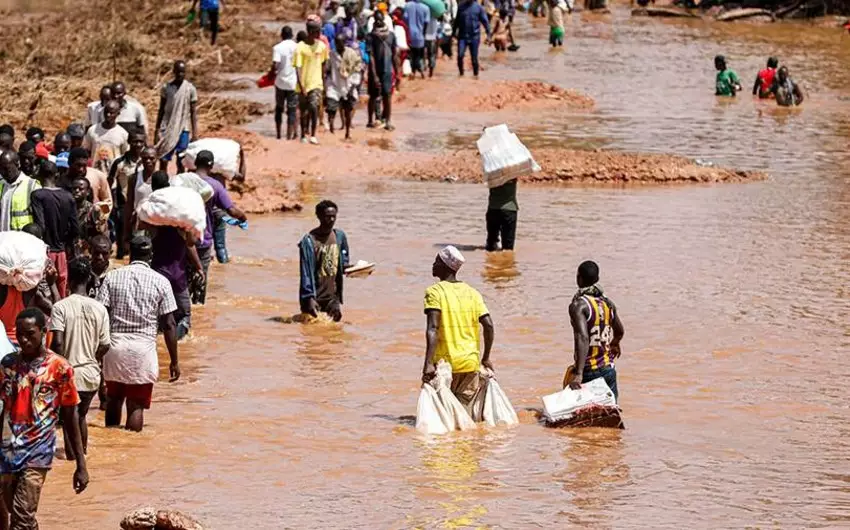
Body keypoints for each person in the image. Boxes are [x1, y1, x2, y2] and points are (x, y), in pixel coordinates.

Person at [0, 308, 88, 529]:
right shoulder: (8, 365)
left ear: (43, 332)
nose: (24, 339)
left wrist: (81, 463)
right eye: (20, 334)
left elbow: (70, 415)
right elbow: (4, 409)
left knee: (21, 519)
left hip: (38, 450)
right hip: (8, 449)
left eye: (30, 334)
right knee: (19, 513)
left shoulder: (59, 368)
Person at [96, 235, 180, 432]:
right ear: (151, 255)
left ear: (130, 253)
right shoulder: (161, 282)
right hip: (143, 350)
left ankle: (112, 445)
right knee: (135, 404)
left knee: (114, 399)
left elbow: (101, 315)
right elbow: (169, 324)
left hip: (114, 347)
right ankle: (129, 446)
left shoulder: (112, 277)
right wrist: (174, 361)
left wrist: (96, 352)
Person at [421, 245, 495, 416]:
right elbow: (489, 325)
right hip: (470, 363)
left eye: (436, 261)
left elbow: (433, 328)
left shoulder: (434, 292)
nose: (433, 264)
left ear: (445, 266)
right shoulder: (472, 293)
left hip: (445, 366)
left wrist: (428, 363)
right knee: (464, 417)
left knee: (443, 419)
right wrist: (486, 357)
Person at [50, 258, 110, 460]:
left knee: (69, 419)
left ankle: (74, 460)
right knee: (80, 416)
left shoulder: (60, 307)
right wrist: (92, 358)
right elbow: (105, 345)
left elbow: (57, 343)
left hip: (69, 375)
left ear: (70, 279)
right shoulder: (100, 308)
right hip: (92, 375)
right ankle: (81, 456)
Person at [146, 172, 204, 340]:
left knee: (156, 318)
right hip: (178, 275)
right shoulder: (180, 216)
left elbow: (141, 235)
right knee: (184, 315)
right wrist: (199, 267)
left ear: (152, 187)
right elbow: (191, 243)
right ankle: (175, 344)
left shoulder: (152, 215)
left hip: (156, 272)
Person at [191, 151, 246, 304]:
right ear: (212, 166)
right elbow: (231, 210)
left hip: (181, 237)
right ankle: (198, 306)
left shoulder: (183, 181)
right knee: (201, 275)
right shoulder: (215, 185)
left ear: (195, 163)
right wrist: (243, 218)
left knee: (183, 278)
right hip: (202, 238)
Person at [566, 260, 625, 400]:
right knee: (609, 415)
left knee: (583, 418)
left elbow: (583, 337)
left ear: (579, 278)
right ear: (597, 279)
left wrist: (579, 374)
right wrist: (615, 343)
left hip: (589, 371)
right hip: (608, 369)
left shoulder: (578, 305)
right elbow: (620, 331)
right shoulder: (607, 304)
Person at [31, 161, 78, 297]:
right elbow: (75, 229)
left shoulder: (37, 195)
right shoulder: (68, 196)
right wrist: (64, 241)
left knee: (44, 291)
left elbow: (41, 226)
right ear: (56, 175)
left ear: (39, 176)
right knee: (62, 289)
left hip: (45, 251)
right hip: (62, 252)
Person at [298, 200, 349, 322]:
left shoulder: (339, 236)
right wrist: (309, 297)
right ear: (319, 217)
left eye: (333, 216)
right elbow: (305, 273)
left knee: (334, 332)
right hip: (313, 297)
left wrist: (356, 269)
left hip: (332, 297)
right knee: (311, 334)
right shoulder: (309, 241)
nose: (331, 220)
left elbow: (343, 264)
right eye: (327, 217)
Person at [155, 60, 199, 173]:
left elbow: (193, 112)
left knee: (181, 159)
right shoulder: (166, 88)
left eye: (183, 72)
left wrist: (195, 134)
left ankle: (179, 185)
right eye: (178, 72)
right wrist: (157, 130)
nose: (180, 75)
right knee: (163, 158)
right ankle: (162, 183)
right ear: (174, 72)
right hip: (167, 128)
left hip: (183, 128)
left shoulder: (190, 89)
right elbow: (161, 109)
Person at [108, 131, 146, 259]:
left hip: (141, 203)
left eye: (141, 141)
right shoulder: (119, 162)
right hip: (123, 203)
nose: (138, 144)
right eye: (135, 141)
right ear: (129, 142)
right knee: (122, 232)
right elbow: (110, 182)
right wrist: (113, 203)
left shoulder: (147, 161)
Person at [295, 19, 329, 145]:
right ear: (310, 32)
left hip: (316, 83)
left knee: (314, 107)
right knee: (304, 111)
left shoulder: (321, 46)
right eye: (317, 32)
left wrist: (324, 82)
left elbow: (324, 64)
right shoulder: (300, 47)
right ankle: (303, 133)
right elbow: (297, 67)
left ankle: (313, 134)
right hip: (303, 84)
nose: (319, 34)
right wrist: (301, 85)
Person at [367, 12, 400, 131]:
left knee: (387, 95)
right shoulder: (371, 36)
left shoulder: (391, 35)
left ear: (384, 20)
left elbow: (395, 54)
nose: (378, 22)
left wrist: (398, 72)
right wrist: (374, 74)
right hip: (375, 69)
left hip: (387, 69)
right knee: (373, 95)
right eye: (376, 20)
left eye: (380, 20)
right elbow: (370, 56)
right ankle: (370, 120)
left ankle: (388, 121)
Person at [326, 34, 363, 139]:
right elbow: (328, 69)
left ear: (344, 43)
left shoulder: (351, 54)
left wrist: (352, 87)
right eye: (336, 43)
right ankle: (331, 126)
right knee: (331, 108)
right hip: (334, 84)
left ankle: (347, 132)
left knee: (348, 110)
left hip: (348, 85)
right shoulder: (332, 54)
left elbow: (357, 70)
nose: (338, 45)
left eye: (340, 43)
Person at [83, 100, 130, 175]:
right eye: (106, 112)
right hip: (95, 175)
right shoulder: (93, 130)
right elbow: (86, 151)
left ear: (118, 114)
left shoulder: (122, 133)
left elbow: (126, 155)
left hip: (113, 178)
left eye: (111, 113)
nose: (108, 115)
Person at [123, 146, 158, 246]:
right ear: (141, 159)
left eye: (151, 158)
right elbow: (129, 204)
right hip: (139, 223)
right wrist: (126, 231)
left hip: (156, 224)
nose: (148, 161)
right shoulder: (134, 178)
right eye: (145, 158)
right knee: (138, 251)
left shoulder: (162, 178)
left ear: (157, 159)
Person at [0, 150, 41, 232]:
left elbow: (40, 218)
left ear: (17, 164)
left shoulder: (32, 186)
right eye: (1, 169)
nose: (3, 173)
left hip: (23, 239)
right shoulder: (1, 184)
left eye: (7, 169)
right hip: (3, 239)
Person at [272, 26, 300, 141]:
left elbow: (275, 65)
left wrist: (271, 73)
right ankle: (289, 136)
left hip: (280, 82)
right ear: (292, 35)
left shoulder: (277, 48)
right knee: (292, 109)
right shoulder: (297, 47)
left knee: (279, 108)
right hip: (292, 83)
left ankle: (278, 134)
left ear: (282, 35)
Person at [71, 175, 109, 257]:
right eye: (74, 188)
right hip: (70, 251)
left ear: (88, 191)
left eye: (81, 189)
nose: (77, 191)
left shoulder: (94, 210)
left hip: (87, 253)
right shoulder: (67, 209)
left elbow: (102, 233)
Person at [68, 147, 112, 213]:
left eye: (84, 166)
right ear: (69, 163)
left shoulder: (98, 176)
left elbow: (108, 201)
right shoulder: (62, 180)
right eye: (78, 165)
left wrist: (98, 213)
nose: (81, 169)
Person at [453, 0, 490, 77]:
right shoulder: (461, 7)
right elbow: (456, 21)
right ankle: (461, 74)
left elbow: (485, 21)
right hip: (462, 36)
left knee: (474, 58)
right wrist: (453, 33)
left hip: (474, 37)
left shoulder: (479, 8)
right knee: (460, 55)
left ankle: (475, 75)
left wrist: (488, 34)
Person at [485, 178, 518, 251]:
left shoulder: (491, 173)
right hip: (509, 209)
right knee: (508, 248)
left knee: (491, 246)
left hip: (493, 209)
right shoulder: (513, 173)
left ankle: (490, 261)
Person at [404, 0, 431, 79]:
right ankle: (421, 71)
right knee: (419, 55)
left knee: (412, 55)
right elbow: (426, 22)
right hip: (420, 36)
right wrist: (423, 34)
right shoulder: (426, 8)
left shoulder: (407, 6)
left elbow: (405, 19)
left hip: (409, 35)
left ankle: (413, 72)